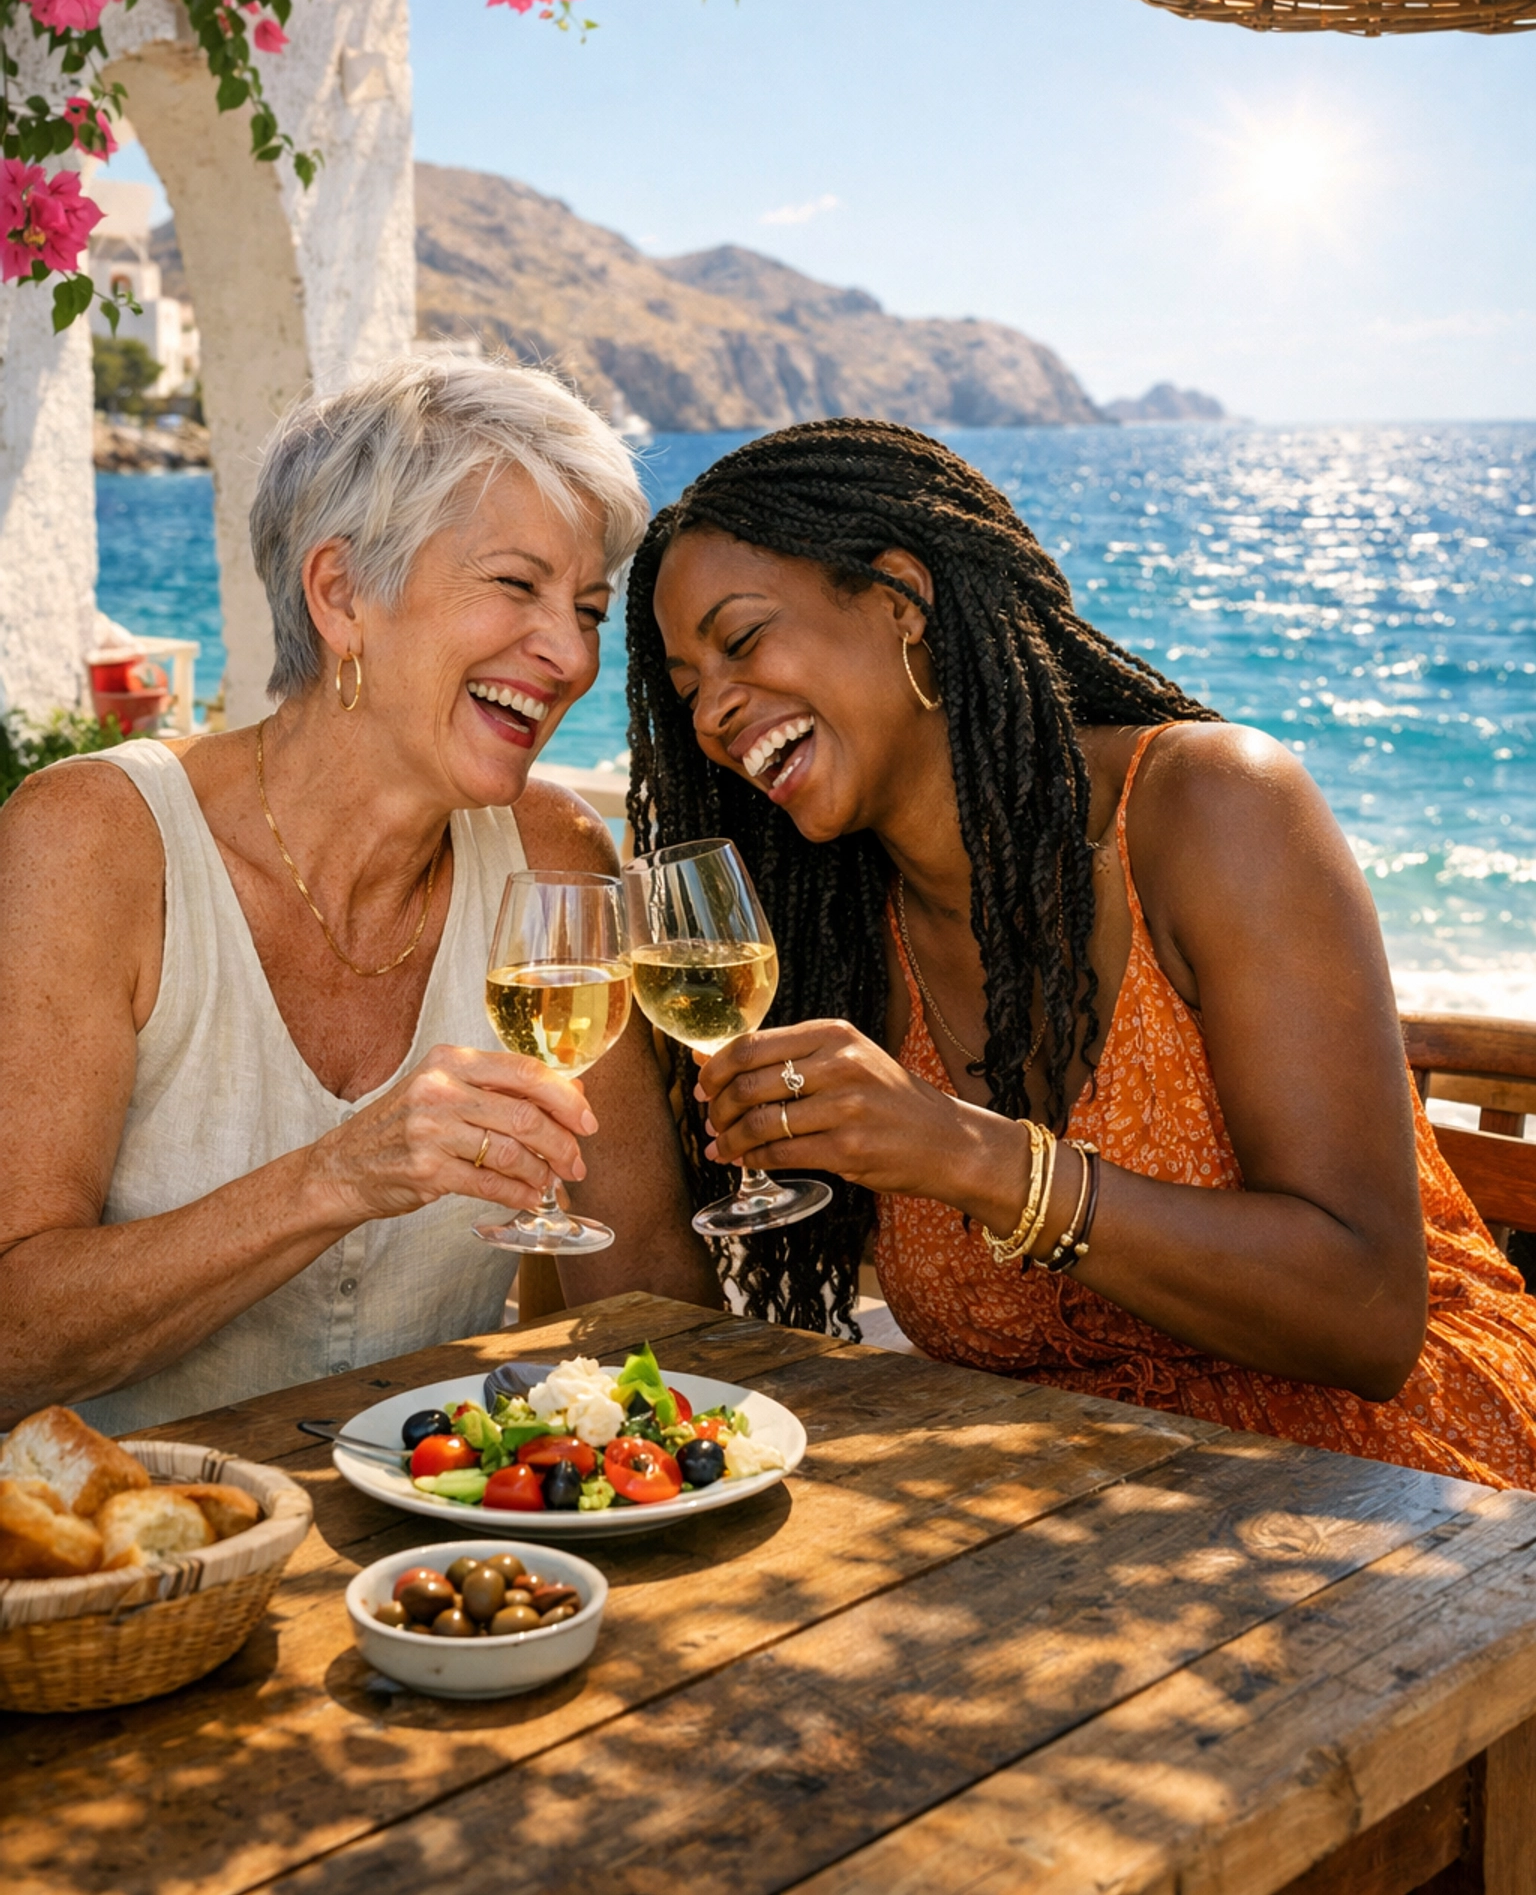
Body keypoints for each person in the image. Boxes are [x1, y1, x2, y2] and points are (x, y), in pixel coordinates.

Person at [625, 418, 1536, 1490]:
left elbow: (1369, 1318)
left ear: (902, 600)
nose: (713, 716)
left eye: (741, 641)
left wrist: (974, 1158)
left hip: (1408, 1503)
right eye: (686, 689)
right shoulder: (830, 947)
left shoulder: (1210, 809)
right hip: (1081, 1517)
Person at [0, 354, 718, 1434]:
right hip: (129, 1561)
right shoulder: (95, 840)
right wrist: (338, 1176)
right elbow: (12, 1343)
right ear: (341, 594)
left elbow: (643, 1280)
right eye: (517, 586)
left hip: (451, 1550)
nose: (570, 653)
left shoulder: (552, 857)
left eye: (586, 607)